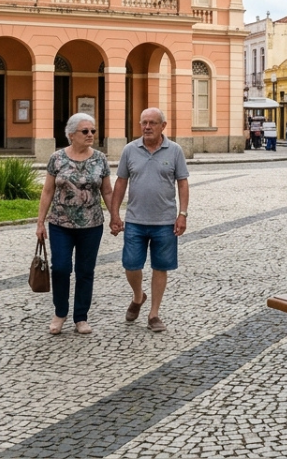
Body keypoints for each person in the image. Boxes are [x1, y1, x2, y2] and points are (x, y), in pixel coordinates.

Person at [109, 108, 189, 333]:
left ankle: (154, 314)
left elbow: (182, 183)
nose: (147, 127)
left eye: (152, 123)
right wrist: (115, 214)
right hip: (135, 220)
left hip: (165, 221)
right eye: (144, 122)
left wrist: (182, 214)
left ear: (163, 126)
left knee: (160, 268)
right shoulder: (129, 150)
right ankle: (138, 296)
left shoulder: (174, 151)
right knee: (131, 264)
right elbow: (121, 183)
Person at [36, 113, 113, 335]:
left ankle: (81, 317)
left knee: (85, 270)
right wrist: (40, 222)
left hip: (92, 225)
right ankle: (60, 313)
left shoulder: (100, 159)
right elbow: (48, 190)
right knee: (60, 268)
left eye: (93, 131)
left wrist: (115, 217)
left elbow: (106, 190)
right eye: (85, 131)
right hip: (60, 224)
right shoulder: (57, 158)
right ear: (71, 135)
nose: (90, 135)